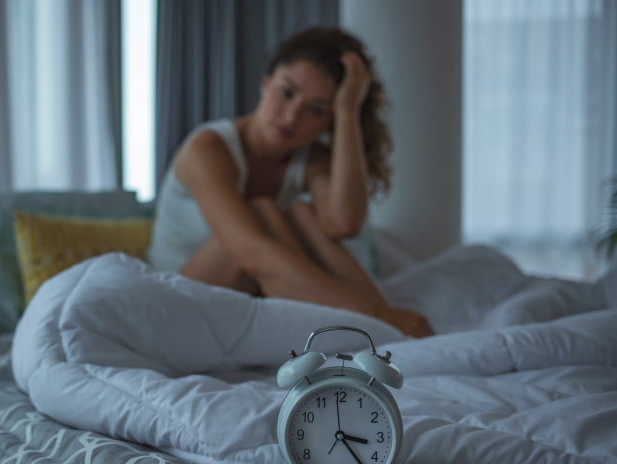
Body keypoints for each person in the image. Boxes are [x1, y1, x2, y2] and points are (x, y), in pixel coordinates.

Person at [147, 27, 433, 338]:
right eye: (286, 92)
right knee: (259, 214)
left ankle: (390, 331)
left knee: (300, 213)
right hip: (174, 301)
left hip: (245, 296)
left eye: (316, 110)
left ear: (328, 121)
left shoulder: (309, 159)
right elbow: (251, 253)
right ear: (265, 83)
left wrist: (348, 110)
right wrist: (377, 315)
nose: (292, 116)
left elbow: (343, 223)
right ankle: (382, 326)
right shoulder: (208, 149)